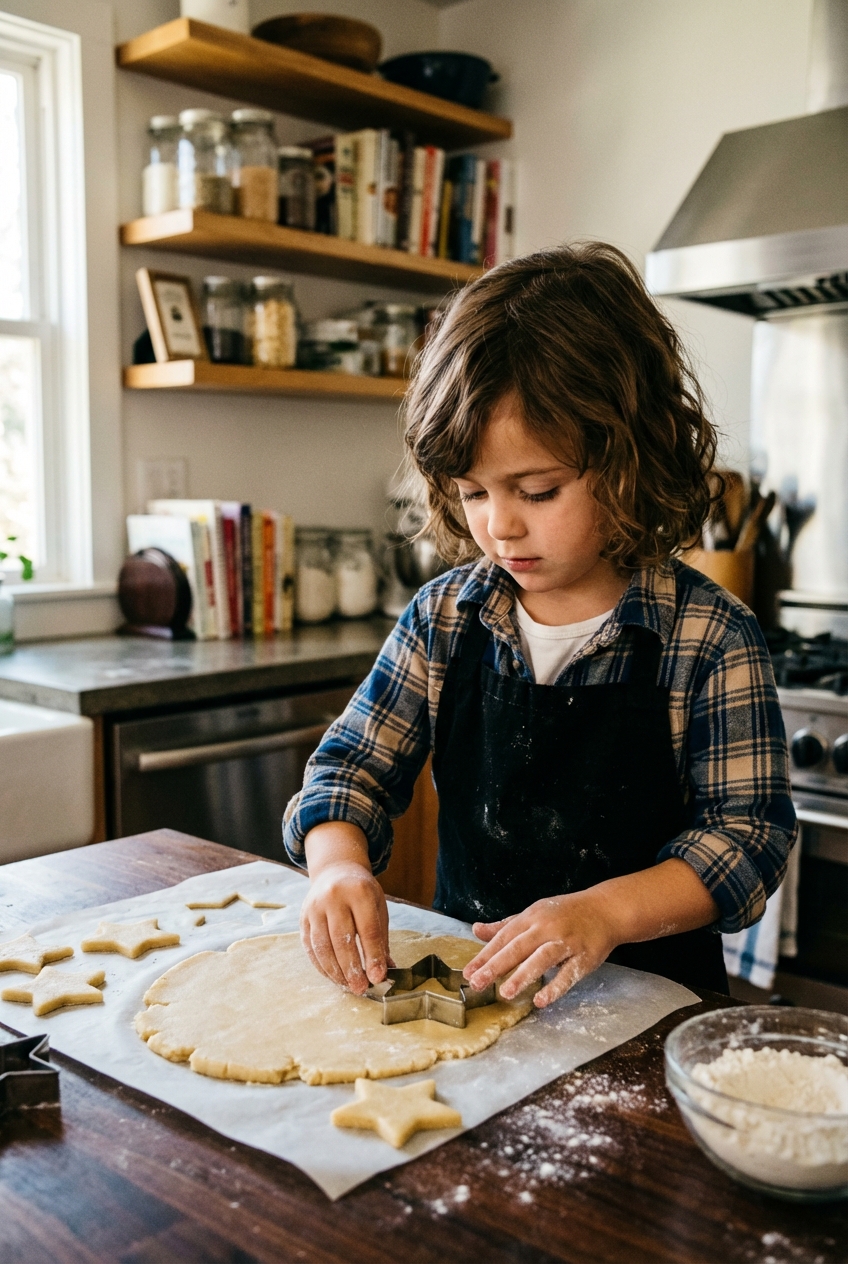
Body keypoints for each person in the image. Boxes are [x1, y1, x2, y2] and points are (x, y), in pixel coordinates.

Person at [284, 242, 796, 1009]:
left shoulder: (707, 636)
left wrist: (603, 913)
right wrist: (337, 866)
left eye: (538, 490)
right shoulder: (444, 620)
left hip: (649, 1009)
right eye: (473, 493)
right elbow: (347, 771)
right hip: (474, 996)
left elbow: (747, 838)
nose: (500, 528)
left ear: (630, 459)